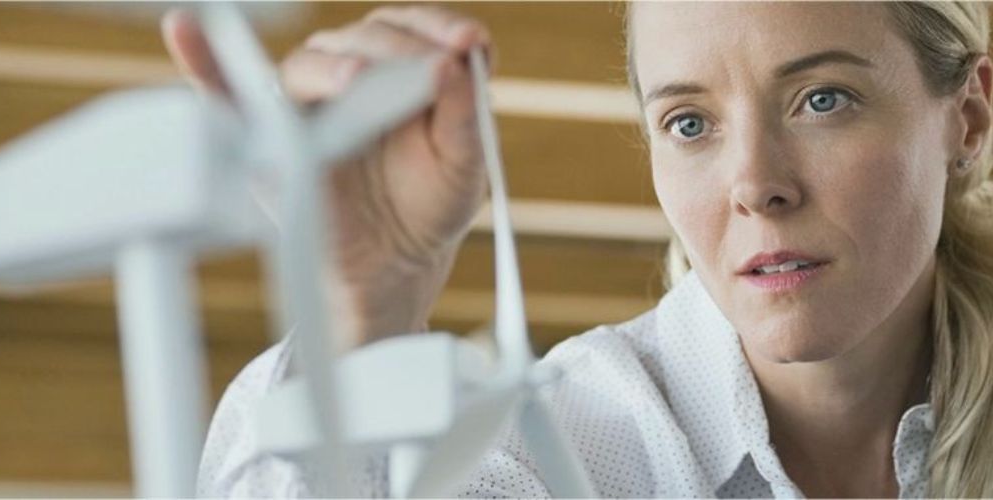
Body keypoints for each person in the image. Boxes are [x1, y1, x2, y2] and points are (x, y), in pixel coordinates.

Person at [161, 2, 993, 497]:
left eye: (822, 99)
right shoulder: (553, 449)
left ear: (969, 117)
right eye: (690, 123)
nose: (755, 184)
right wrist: (360, 311)